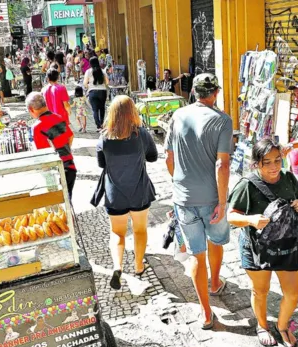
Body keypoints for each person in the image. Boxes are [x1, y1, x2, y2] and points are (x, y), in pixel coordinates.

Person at [164, 73, 232, 330]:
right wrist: (223, 202)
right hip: (212, 198)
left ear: (193, 92)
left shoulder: (178, 115)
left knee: (195, 255)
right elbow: (222, 164)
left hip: (184, 198)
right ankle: (215, 283)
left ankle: (206, 313)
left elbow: (169, 159)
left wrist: (180, 184)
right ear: (215, 93)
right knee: (215, 241)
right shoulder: (222, 121)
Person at [227, 138, 298, 347]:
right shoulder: (247, 185)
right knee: (260, 290)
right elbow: (231, 216)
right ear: (256, 163)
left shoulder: (289, 179)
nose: (273, 167)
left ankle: (282, 326)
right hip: (256, 247)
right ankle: (262, 326)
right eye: (267, 162)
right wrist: (251, 219)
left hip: (287, 245)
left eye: (277, 160)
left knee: (293, 292)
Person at [97, 95, 158, 290]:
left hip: (115, 194)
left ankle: (118, 266)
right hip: (139, 191)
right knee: (140, 230)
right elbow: (153, 156)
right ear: (133, 112)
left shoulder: (105, 137)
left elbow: (101, 164)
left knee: (117, 232)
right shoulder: (141, 134)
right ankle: (139, 266)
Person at [26, 92, 76, 199]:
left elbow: (43, 154)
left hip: (54, 172)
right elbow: (70, 136)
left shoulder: (37, 127)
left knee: (57, 203)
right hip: (70, 166)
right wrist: (64, 150)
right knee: (68, 201)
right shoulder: (59, 117)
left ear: (31, 109)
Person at [83, 57, 109, 132]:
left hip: (92, 92)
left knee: (95, 110)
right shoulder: (102, 71)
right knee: (102, 108)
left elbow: (84, 83)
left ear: (90, 63)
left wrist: (89, 86)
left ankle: (98, 126)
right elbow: (107, 82)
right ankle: (102, 124)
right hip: (102, 92)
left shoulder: (88, 71)